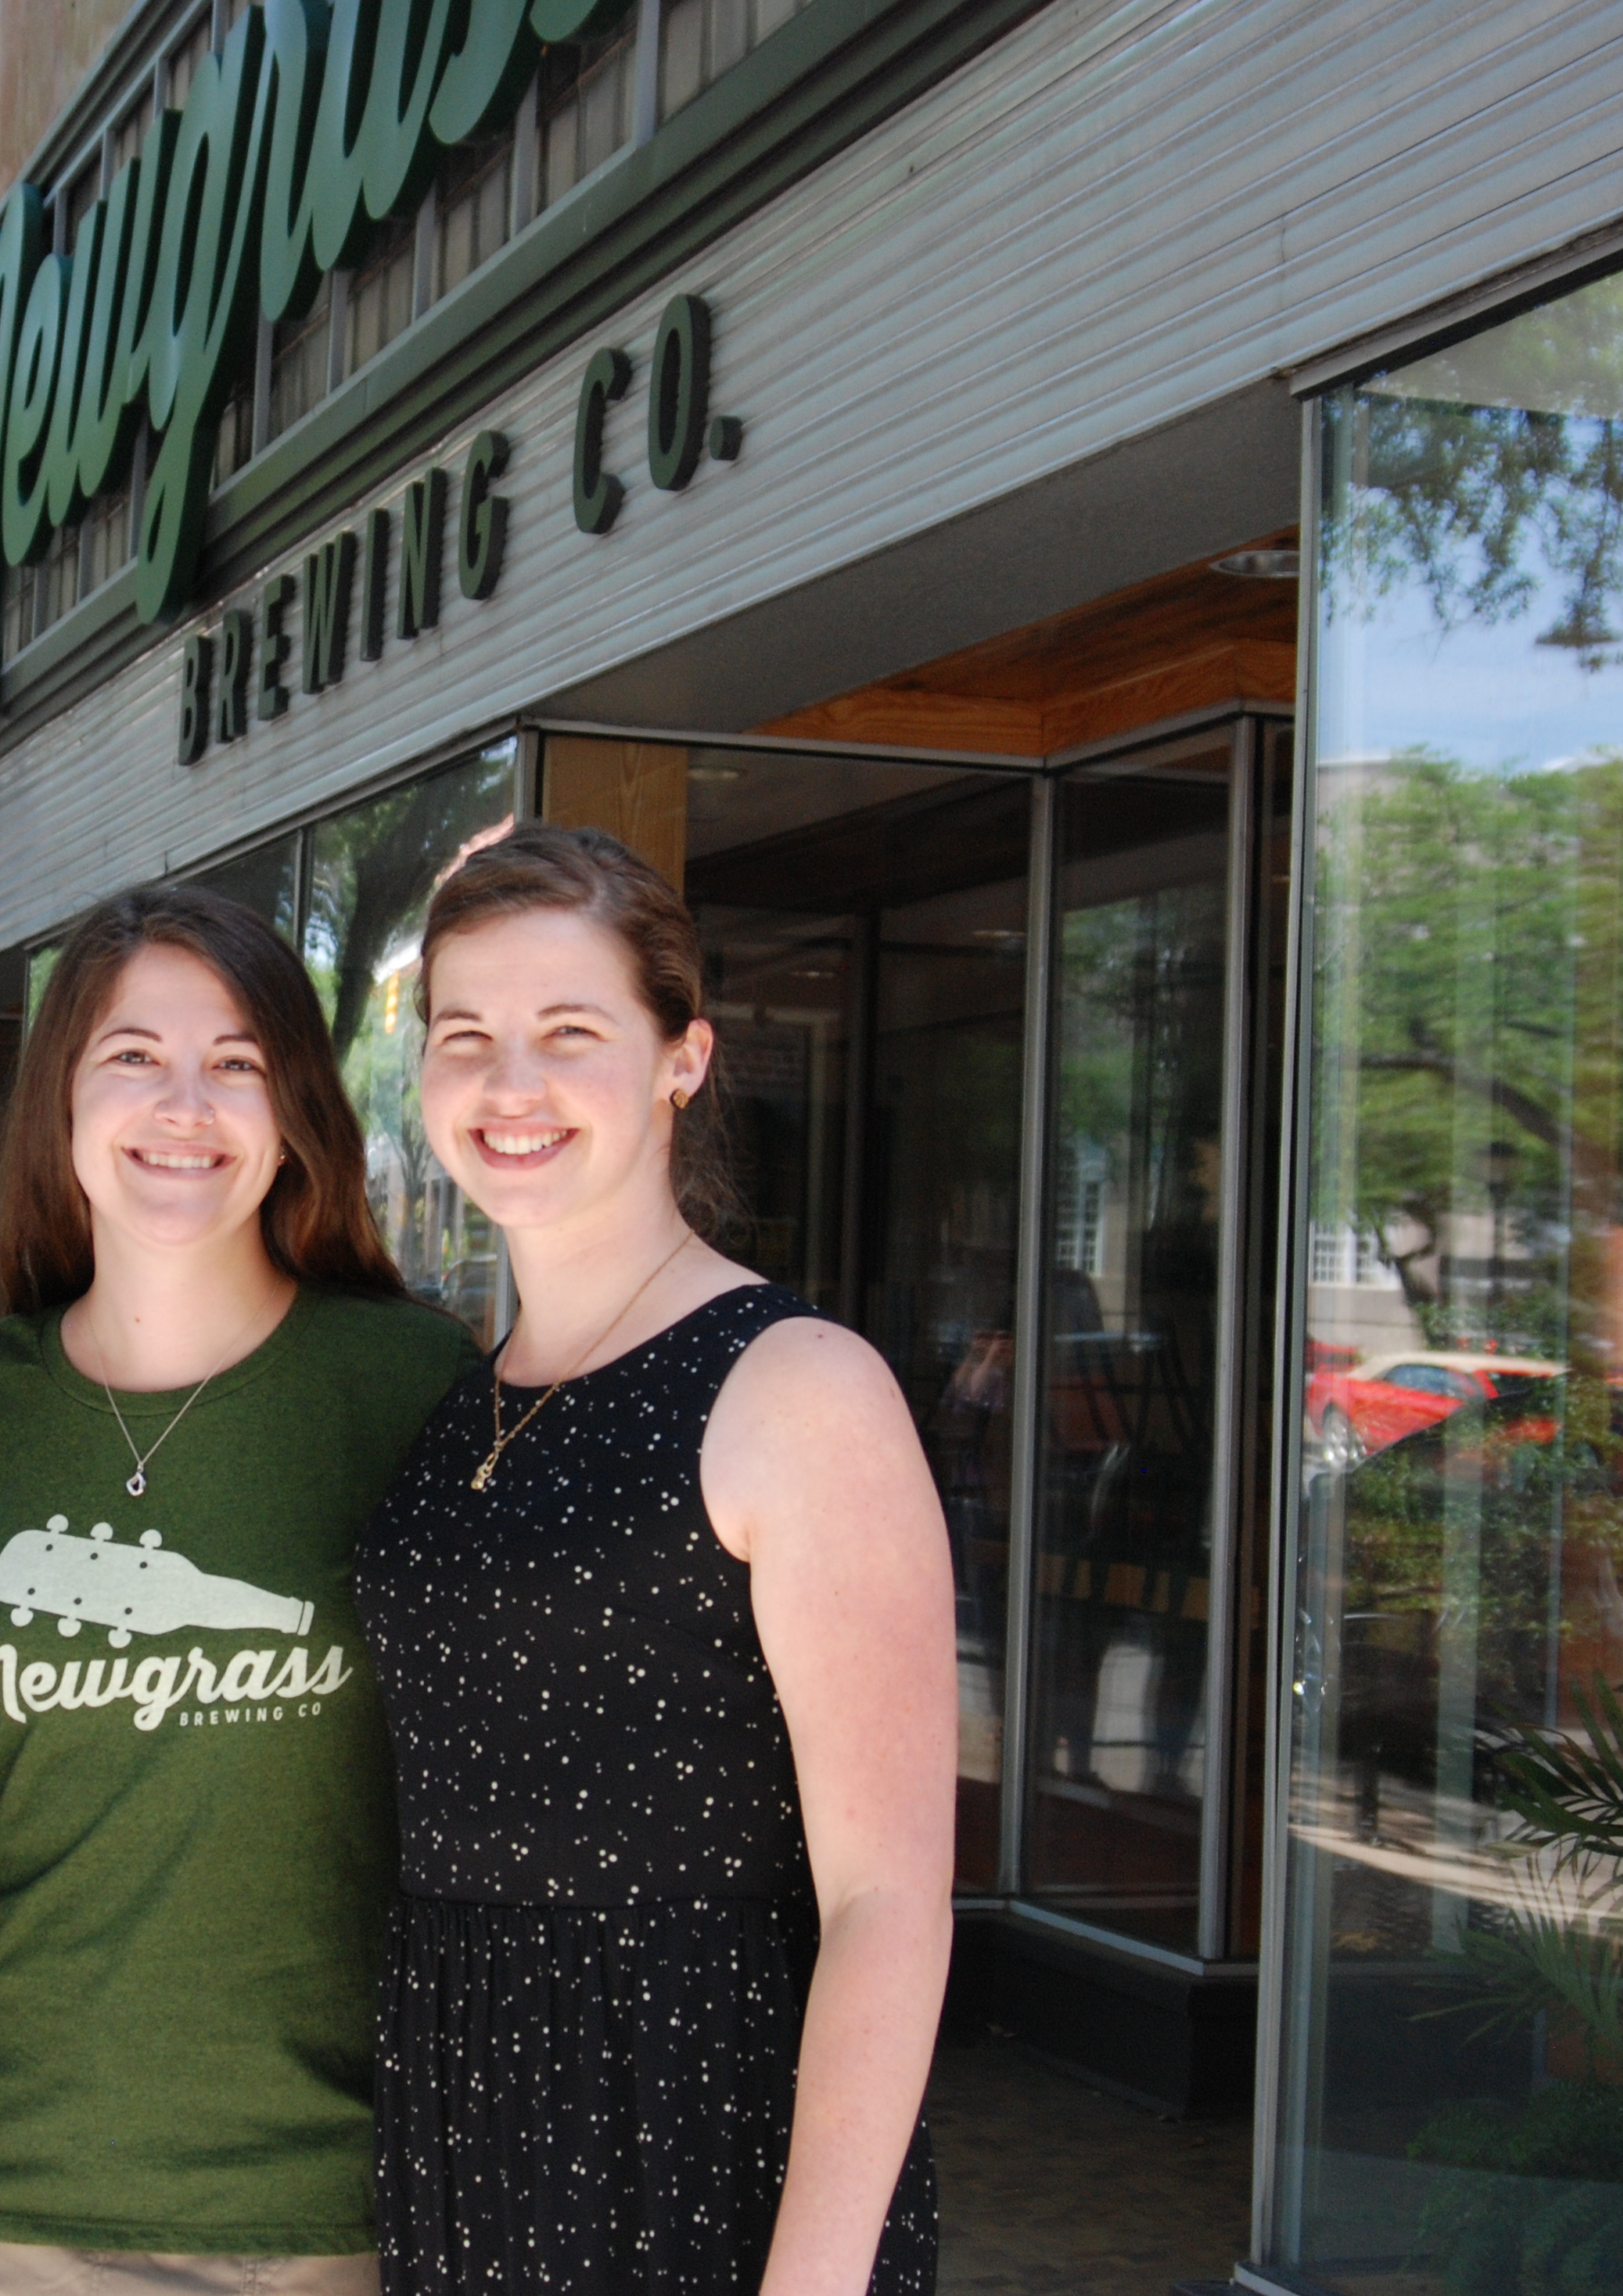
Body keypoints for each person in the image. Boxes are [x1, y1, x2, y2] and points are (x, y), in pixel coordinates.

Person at [358, 825, 957, 2296]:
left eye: (571, 1033)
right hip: (466, 2143)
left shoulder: (795, 1387)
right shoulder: (461, 1395)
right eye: (467, 1036)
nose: (512, 1086)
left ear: (682, 1056)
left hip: (699, 2154)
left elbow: (891, 1903)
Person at [0, 886, 472, 2296]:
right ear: (60, 1107)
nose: (185, 1104)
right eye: (132, 1058)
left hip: (328, 2194)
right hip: (9, 2186)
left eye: (236, 1062)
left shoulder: (412, 1388)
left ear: (292, 1115)